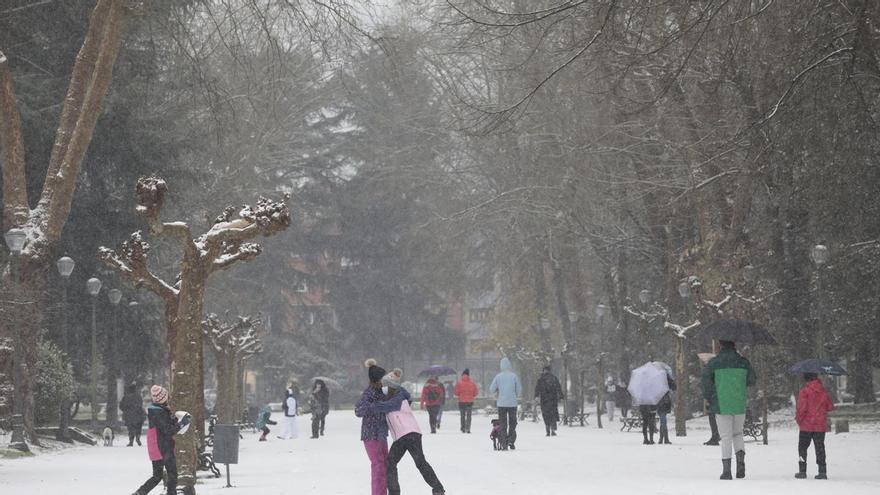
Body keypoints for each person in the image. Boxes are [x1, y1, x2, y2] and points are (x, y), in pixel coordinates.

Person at [382, 369, 446, 495]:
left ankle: (394, 492)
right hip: (411, 433)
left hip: (405, 434)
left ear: (390, 385)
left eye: (385, 384)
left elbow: (386, 406)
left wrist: (374, 406)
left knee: (391, 463)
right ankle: (438, 488)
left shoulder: (396, 397)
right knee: (420, 462)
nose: (383, 387)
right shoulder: (399, 395)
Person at [701, 340, 756, 480]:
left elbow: (706, 384)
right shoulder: (744, 362)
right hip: (739, 402)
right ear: (734, 346)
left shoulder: (714, 363)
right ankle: (740, 464)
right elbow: (752, 380)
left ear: (720, 346)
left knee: (726, 437)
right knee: (738, 434)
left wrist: (710, 397)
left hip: (721, 403)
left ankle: (726, 471)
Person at [355, 359, 409, 495]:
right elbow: (358, 410)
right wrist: (374, 407)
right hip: (370, 434)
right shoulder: (368, 394)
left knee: (386, 465)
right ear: (376, 380)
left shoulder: (383, 392)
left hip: (381, 434)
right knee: (378, 466)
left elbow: (402, 398)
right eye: (382, 379)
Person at [132, 385, 187, 495]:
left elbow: (165, 426)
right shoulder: (159, 412)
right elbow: (167, 430)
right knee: (172, 474)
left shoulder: (158, 411)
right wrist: (181, 424)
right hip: (162, 447)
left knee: (157, 476)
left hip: (157, 446)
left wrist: (176, 419)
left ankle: (140, 492)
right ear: (163, 398)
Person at [795, 372, 833, 479]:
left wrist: (799, 420)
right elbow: (830, 406)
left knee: (802, 448)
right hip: (820, 425)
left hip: (806, 425)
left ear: (806, 379)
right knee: (820, 447)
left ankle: (802, 471)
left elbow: (802, 408)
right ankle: (822, 471)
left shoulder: (804, 391)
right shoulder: (823, 391)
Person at [489, 357, 522, 450]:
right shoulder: (514, 376)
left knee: (503, 423)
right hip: (512, 403)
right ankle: (511, 440)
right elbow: (519, 390)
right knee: (513, 423)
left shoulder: (498, 377)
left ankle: (503, 443)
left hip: (501, 404)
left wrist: (499, 391)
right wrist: (514, 394)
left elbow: (491, 389)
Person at [534, 365, 564, 436]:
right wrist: (561, 396)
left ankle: (547, 429)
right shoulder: (554, 378)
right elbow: (558, 387)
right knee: (553, 415)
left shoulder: (541, 379)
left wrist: (536, 396)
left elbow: (537, 389)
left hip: (544, 400)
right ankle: (553, 430)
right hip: (553, 400)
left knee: (546, 415)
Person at [119, 383, 146, 447]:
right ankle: (138, 438)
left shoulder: (125, 397)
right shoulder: (138, 396)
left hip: (129, 415)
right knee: (138, 427)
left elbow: (121, 406)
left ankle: (131, 441)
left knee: (130, 428)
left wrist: (125, 410)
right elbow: (140, 405)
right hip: (138, 414)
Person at [454, 369, 478, 434]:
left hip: (461, 401)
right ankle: (468, 428)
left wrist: (460, 394)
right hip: (470, 401)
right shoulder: (472, 383)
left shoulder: (459, 383)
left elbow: (456, 393)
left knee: (462, 415)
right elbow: (476, 393)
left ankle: (463, 428)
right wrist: (471, 395)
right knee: (469, 416)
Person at [657, 377, 676, 445]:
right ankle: (665, 439)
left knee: (663, 420)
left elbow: (674, 388)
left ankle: (662, 438)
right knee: (663, 420)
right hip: (661, 403)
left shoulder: (667, 380)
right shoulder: (657, 381)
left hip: (663, 402)